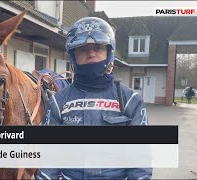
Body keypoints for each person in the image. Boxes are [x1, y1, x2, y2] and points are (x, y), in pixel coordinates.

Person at [36, 17, 152, 179]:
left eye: (97, 47)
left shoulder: (130, 100)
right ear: (73, 56)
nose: (91, 53)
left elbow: (140, 162)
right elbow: (48, 160)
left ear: (109, 53)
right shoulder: (57, 102)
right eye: (83, 49)